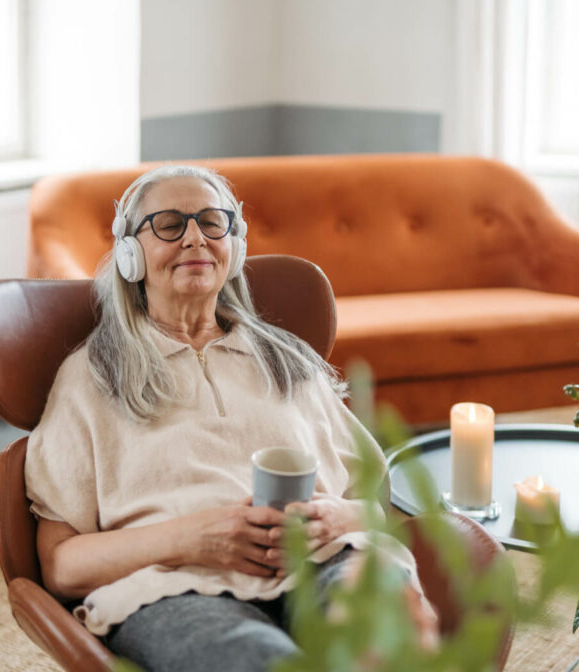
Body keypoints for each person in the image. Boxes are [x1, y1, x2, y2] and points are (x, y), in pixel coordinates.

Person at [24, 165, 435, 672]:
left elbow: (377, 509)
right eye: (170, 224)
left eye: (212, 222)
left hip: (328, 559)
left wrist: (334, 517)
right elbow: (61, 566)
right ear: (131, 254)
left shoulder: (290, 362)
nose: (195, 237)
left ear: (233, 246)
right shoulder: (90, 377)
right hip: (172, 586)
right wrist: (192, 538)